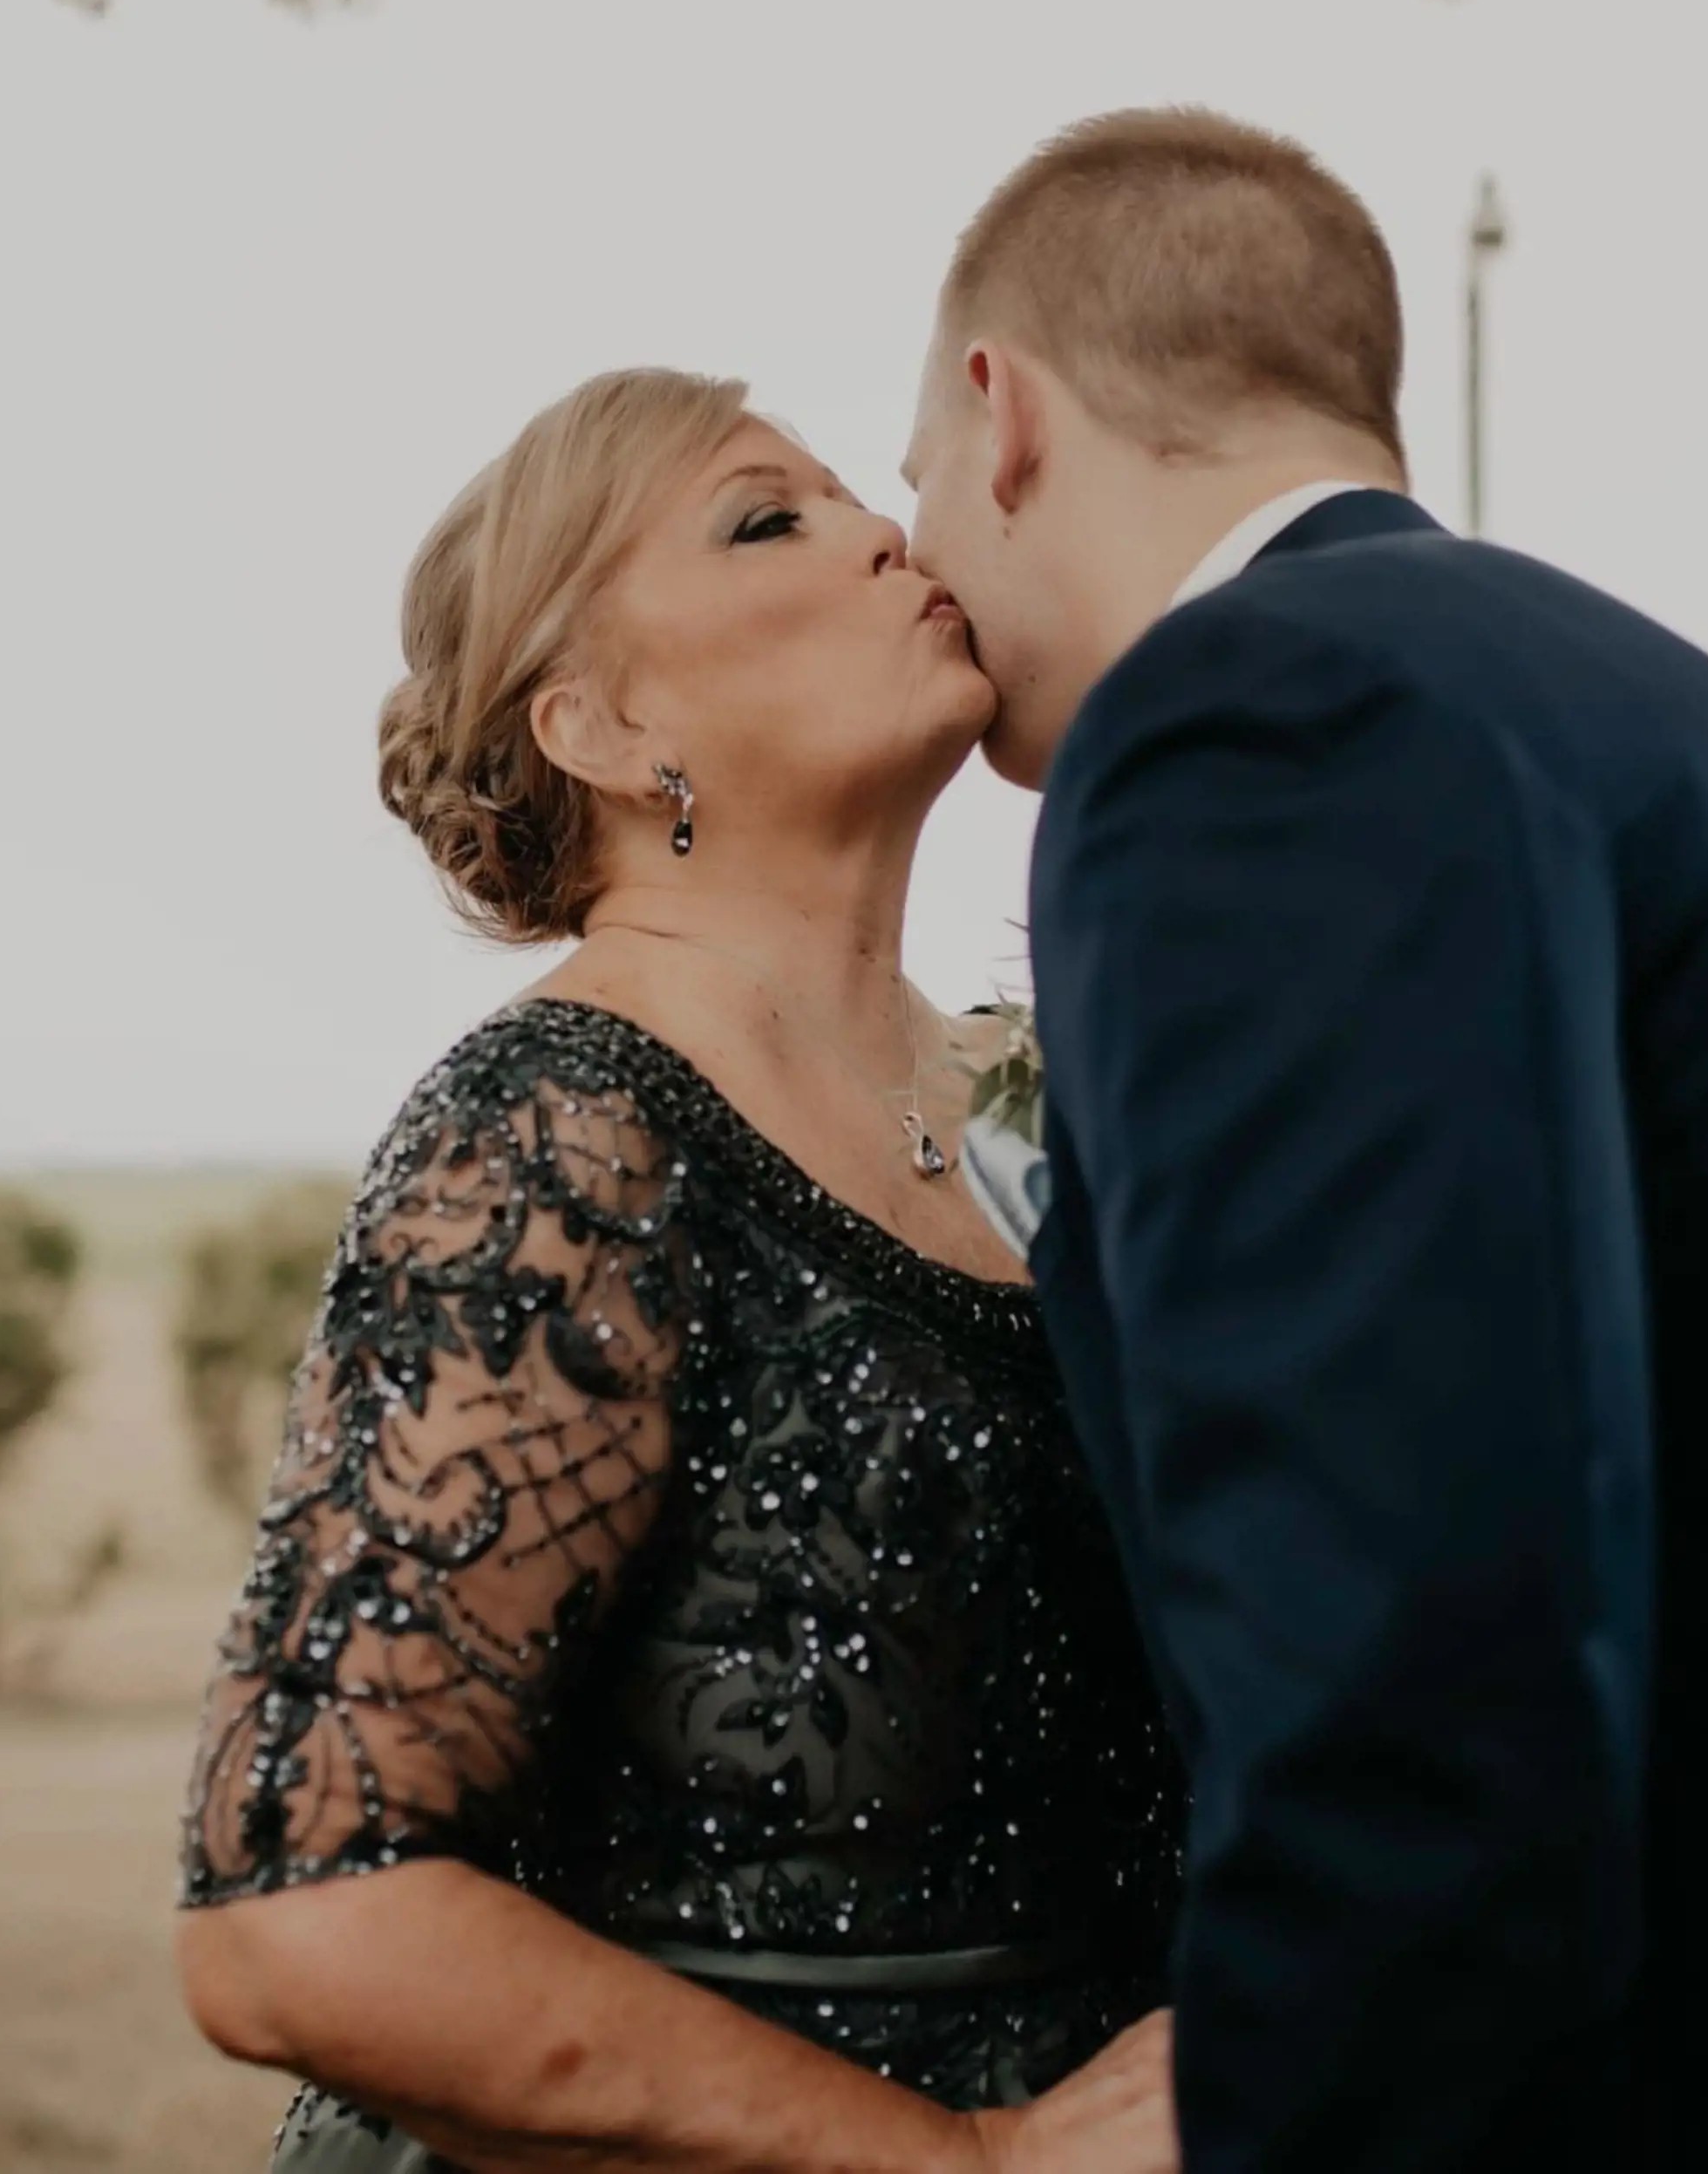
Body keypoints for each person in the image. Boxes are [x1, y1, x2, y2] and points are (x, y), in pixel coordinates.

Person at [905, 106, 1708, 2171]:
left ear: (1002, 417)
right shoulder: (1671, 713)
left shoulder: (1258, 721)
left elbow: (1410, 1635)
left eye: (911, 467)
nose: (912, 538)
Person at [174, 368, 1184, 2173]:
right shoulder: (552, 1143)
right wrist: (966, 2160)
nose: (889, 532)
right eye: (765, 515)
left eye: (852, 493)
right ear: (605, 725)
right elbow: (300, 1912)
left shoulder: (1067, 1103)